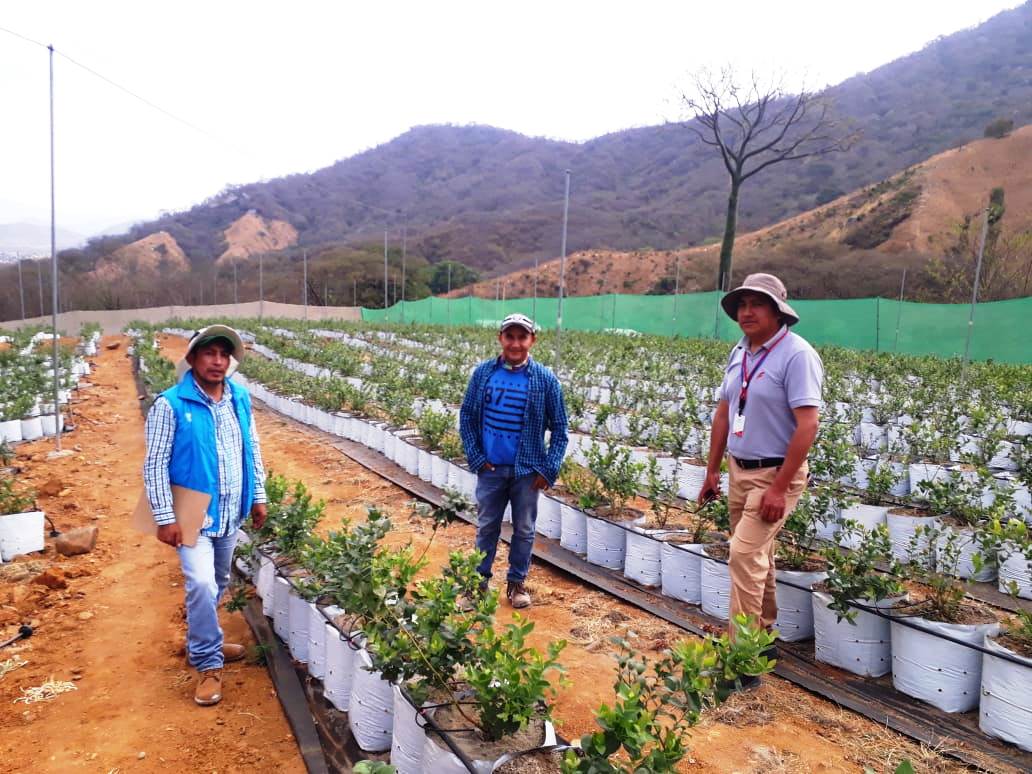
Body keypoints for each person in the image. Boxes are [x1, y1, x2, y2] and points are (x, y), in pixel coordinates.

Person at [143, 324, 268, 707]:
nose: (217, 361)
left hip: (230, 510)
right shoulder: (171, 404)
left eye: (223, 355)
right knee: (199, 583)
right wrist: (165, 518)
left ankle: (205, 640)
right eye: (209, 353)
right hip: (192, 510)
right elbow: (154, 466)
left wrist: (258, 495)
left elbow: (253, 448)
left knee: (217, 581)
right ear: (193, 358)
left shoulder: (239, 399)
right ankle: (208, 664)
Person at [699, 273, 823, 650]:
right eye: (742, 305)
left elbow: (808, 424)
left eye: (757, 304)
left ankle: (743, 654)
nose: (747, 312)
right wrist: (712, 470)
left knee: (742, 554)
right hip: (740, 469)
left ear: (778, 311)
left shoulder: (797, 355)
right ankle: (764, 635)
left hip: (775, 473)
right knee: (757, 556)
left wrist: (780, 488)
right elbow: (724, 412)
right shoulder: (739, 352)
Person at [459, 313, 568, 609]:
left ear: (532, 340)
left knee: (524, 530)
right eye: (510, 336)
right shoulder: (483, 374)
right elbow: (467, 416)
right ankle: (477, 585)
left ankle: (516, 584)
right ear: (500, 338)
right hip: (491, 468)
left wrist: (549, 467)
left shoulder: (545, 380)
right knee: (486, 528)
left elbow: (560, 428)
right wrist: (477, 457)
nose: (516, 343)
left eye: (522, 337)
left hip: (527, 473)